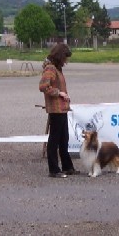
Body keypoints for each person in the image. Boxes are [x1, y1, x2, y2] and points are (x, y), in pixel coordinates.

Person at [39, 43, 79, 178]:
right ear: (60, 56)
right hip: (56, 109)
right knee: (54, 140)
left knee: (64, 139)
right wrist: (59, 93)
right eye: (65, 58)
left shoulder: (57, 68)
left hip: (62, 109)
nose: (66, 61)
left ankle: (67, 167)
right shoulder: (50, 68)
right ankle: (54, 169)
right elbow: (43, 86)